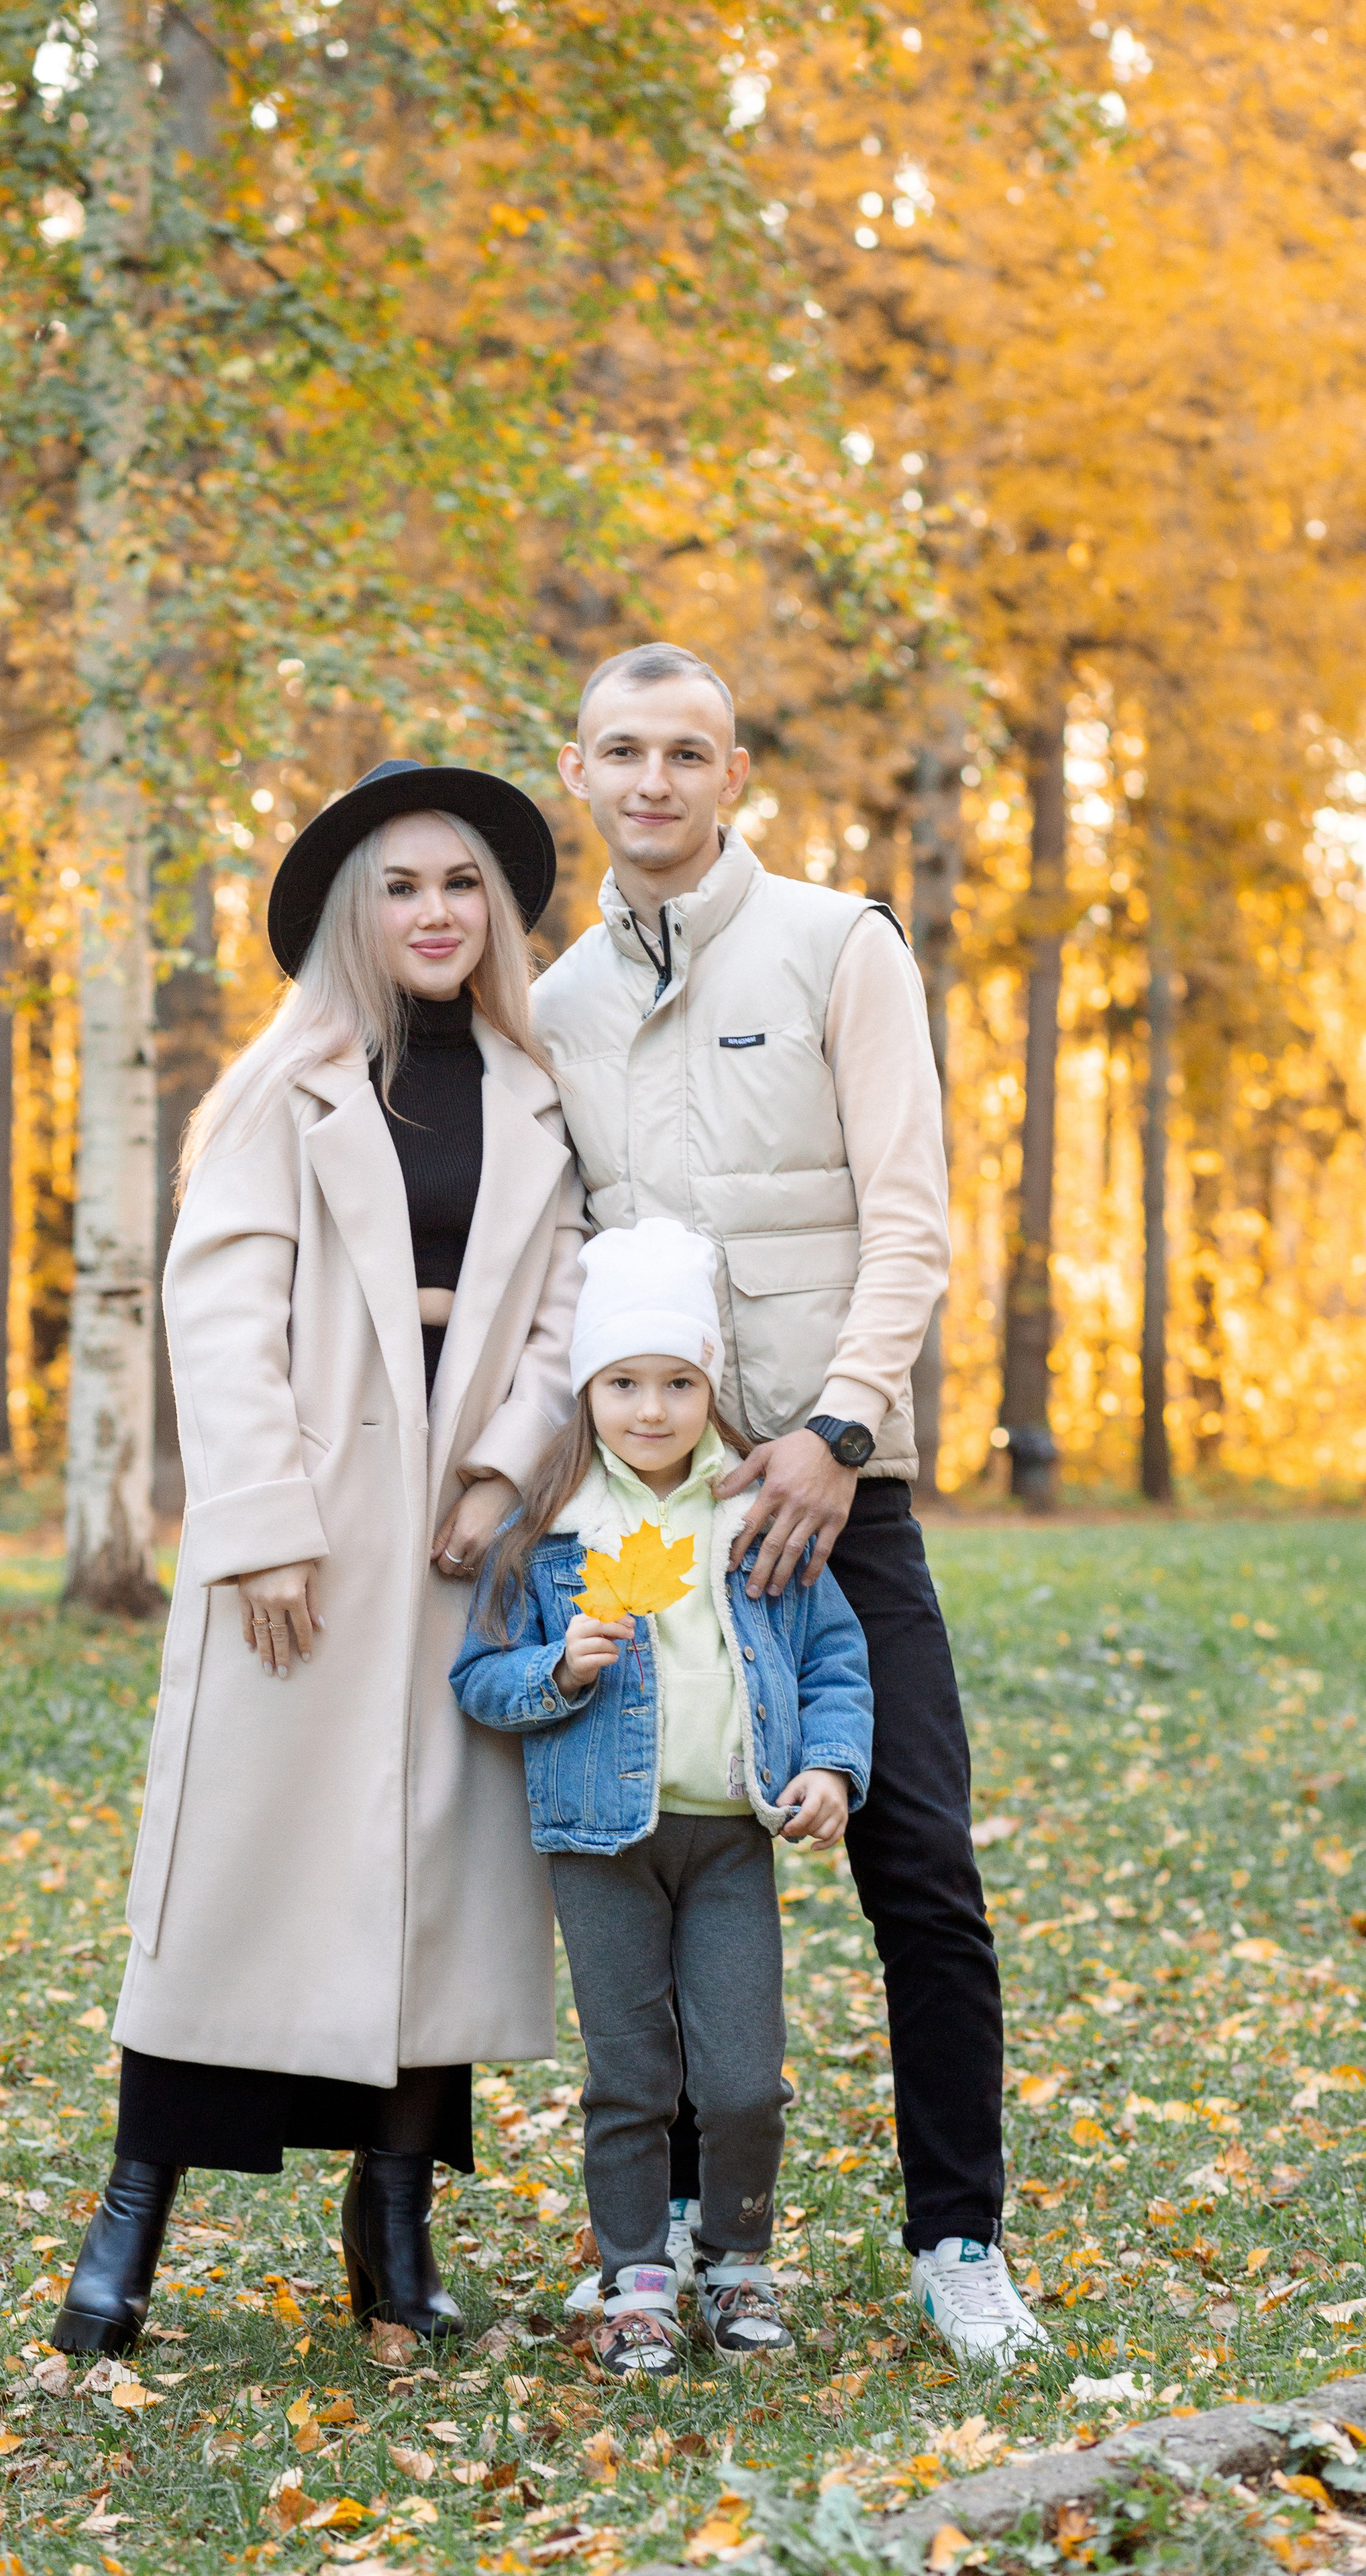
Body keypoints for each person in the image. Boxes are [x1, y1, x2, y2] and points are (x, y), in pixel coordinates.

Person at [531, 643, 1049, 2365]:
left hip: (837, 1493)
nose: (654, 782)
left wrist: (836, 1427)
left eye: (686, 752)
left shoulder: (841, 945)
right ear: (581, 773)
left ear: (733, 772)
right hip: (650, 1512)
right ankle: (674, 2229)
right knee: (661, 1852)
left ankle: (957, 2239)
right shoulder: (555, 1009)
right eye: (623, 752)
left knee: (918, 1869)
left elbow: (908, 1218)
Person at [52, 758, 585, 2358]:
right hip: (306, 1532)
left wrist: (509, 1472)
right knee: (230, 1877)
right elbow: (218, 1322)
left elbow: (571, 1307)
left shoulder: (539, 1091)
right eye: (400, 885)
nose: (433, 910)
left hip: (459, 1538)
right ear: (355, 913)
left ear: (492, 911)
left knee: (438, 1875)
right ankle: (129, 2224)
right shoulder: (284, 1087)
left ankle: (395, 2231)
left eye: (461, 884)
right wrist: (262, 1529)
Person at [452, 1220, 874, 2377]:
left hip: (732, 1835)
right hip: (602, 1844)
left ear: (709, 1389)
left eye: (678, 1382)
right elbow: (477, 1680)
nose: (651, 1409)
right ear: (588, 1393)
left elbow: (834, 1660)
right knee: (631, 2076)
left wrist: (832, 1766)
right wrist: (558, 1669)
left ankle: (735, 2263)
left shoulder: (752, 1524)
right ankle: (634, 2275)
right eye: (624, 1383)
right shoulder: (550, 1541)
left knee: (742, 2078)